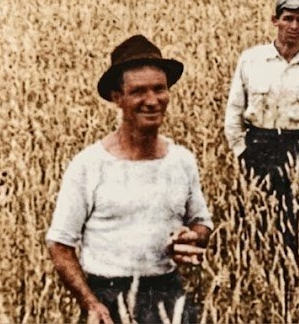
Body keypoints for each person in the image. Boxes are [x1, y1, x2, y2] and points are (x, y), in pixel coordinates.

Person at [47, 35, 213, 324]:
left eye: (159, 89)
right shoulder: (89, 165)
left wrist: (192, 237)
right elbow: (60, 245)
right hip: (108, 297)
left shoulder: (182, 160)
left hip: (169, 295)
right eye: (138, 91)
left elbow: (202, 223)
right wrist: (91, 304)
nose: (152, 101)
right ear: (117, 97)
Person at [223, 0, 299, 257]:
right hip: (258, 145)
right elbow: (234, 112)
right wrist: (242, 151)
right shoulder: (251, 60)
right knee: (253, 218)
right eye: (288, 19)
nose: (294, 27)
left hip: (297, 148)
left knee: (293, 221)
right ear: (275, 20)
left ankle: (290, 273)